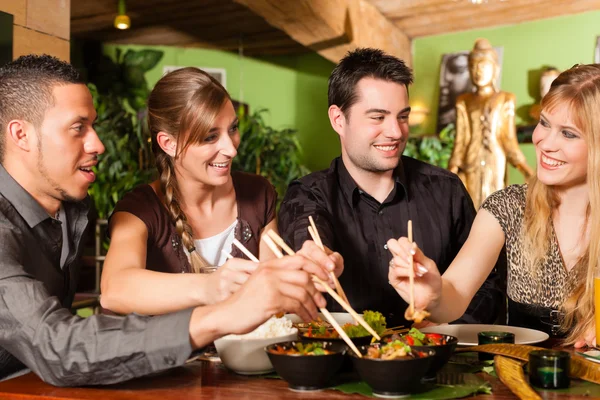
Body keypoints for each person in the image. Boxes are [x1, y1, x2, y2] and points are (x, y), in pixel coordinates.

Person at [0, 54, 329, 386]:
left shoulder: (69, 211)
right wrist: (217, 312)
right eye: (77, 128)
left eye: (93, 125)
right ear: (21, 135)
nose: (98, 144)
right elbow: (61, 344)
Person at [278, 48, 504, 328]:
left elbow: (488, 289)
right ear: (338, 119)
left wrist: (438, 330)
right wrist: (315, 255)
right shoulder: (308, 193)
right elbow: (307, 230)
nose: (396, 132)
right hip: (343, 365)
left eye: (402, 116)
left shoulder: (447, 190)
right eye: (377, 117)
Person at [388, 64, 600, 346]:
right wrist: (434, 293)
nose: (545, 143)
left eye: (568, 134)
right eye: (545, 123)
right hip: (520, 382)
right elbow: (456, 293)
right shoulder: (508, 206)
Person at [448, 38, 533, 209]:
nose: (477, 71)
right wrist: (452, 168)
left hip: (495, 160)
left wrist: (524, 168)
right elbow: (461, 139)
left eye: (483, 65)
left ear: (495, 69)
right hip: (469, 162)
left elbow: (507, 138)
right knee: (468, 208)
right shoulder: (463, 101)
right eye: (472, 66)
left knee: (495, 208)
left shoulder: (505, 99)